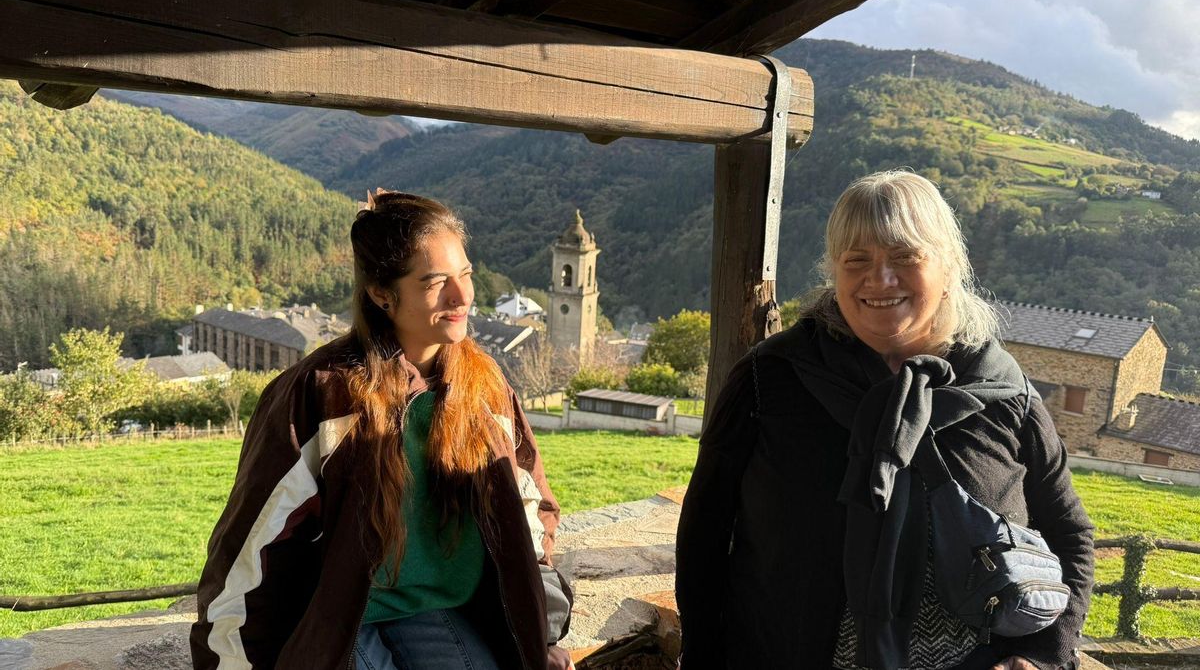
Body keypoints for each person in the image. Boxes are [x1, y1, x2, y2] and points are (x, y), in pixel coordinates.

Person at [676, 170, 1093, 670]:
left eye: (905, 257)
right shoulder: (771, 378)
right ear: (834, 271)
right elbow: (704, 533)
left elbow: (1068, 532)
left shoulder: (1003, 392)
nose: (880, 279)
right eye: (857, 260)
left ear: (949, 267)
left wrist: (1044, 653)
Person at [191, 191, 574, 670]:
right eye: (435, 282)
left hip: (437, 608)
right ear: (381, 294)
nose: (461, 297)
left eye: (466, 274)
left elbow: (528, 510)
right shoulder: (321, 396)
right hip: (338, 611)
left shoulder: (484, 386)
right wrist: (229, 660)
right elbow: (254, 546)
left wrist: (541, 631)